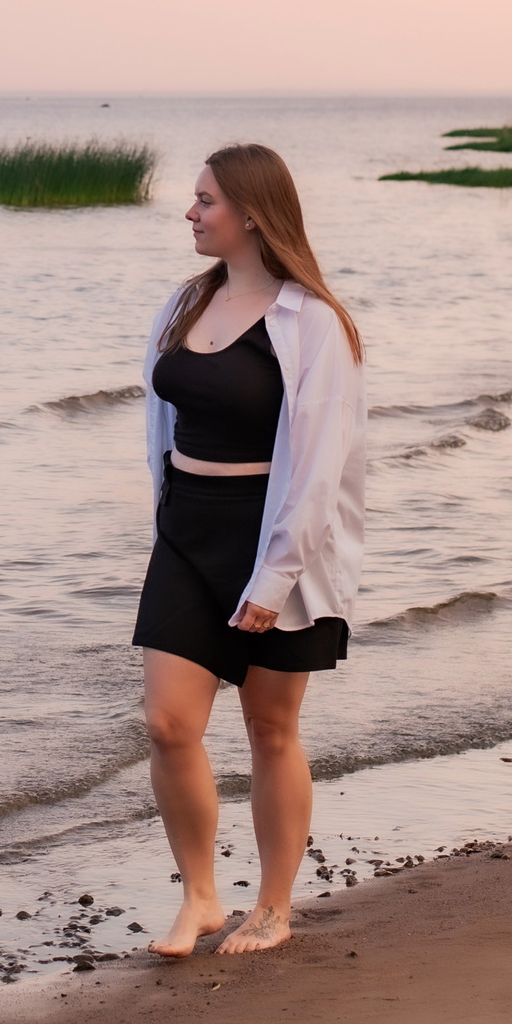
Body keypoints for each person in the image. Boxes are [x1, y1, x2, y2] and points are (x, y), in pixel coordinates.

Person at [134, 143, 365, 958]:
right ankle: (200, 897)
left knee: (270, 727)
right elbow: (162, 427)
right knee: (167, 722)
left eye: (206, 201)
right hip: (187, 531)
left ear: (253, 213)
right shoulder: (182, 303)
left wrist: (277, 575)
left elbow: (318, 465)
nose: (191, 213)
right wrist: (163, 514)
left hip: (271, 537)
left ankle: (272, 906)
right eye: (193, 199)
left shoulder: (313, 323)